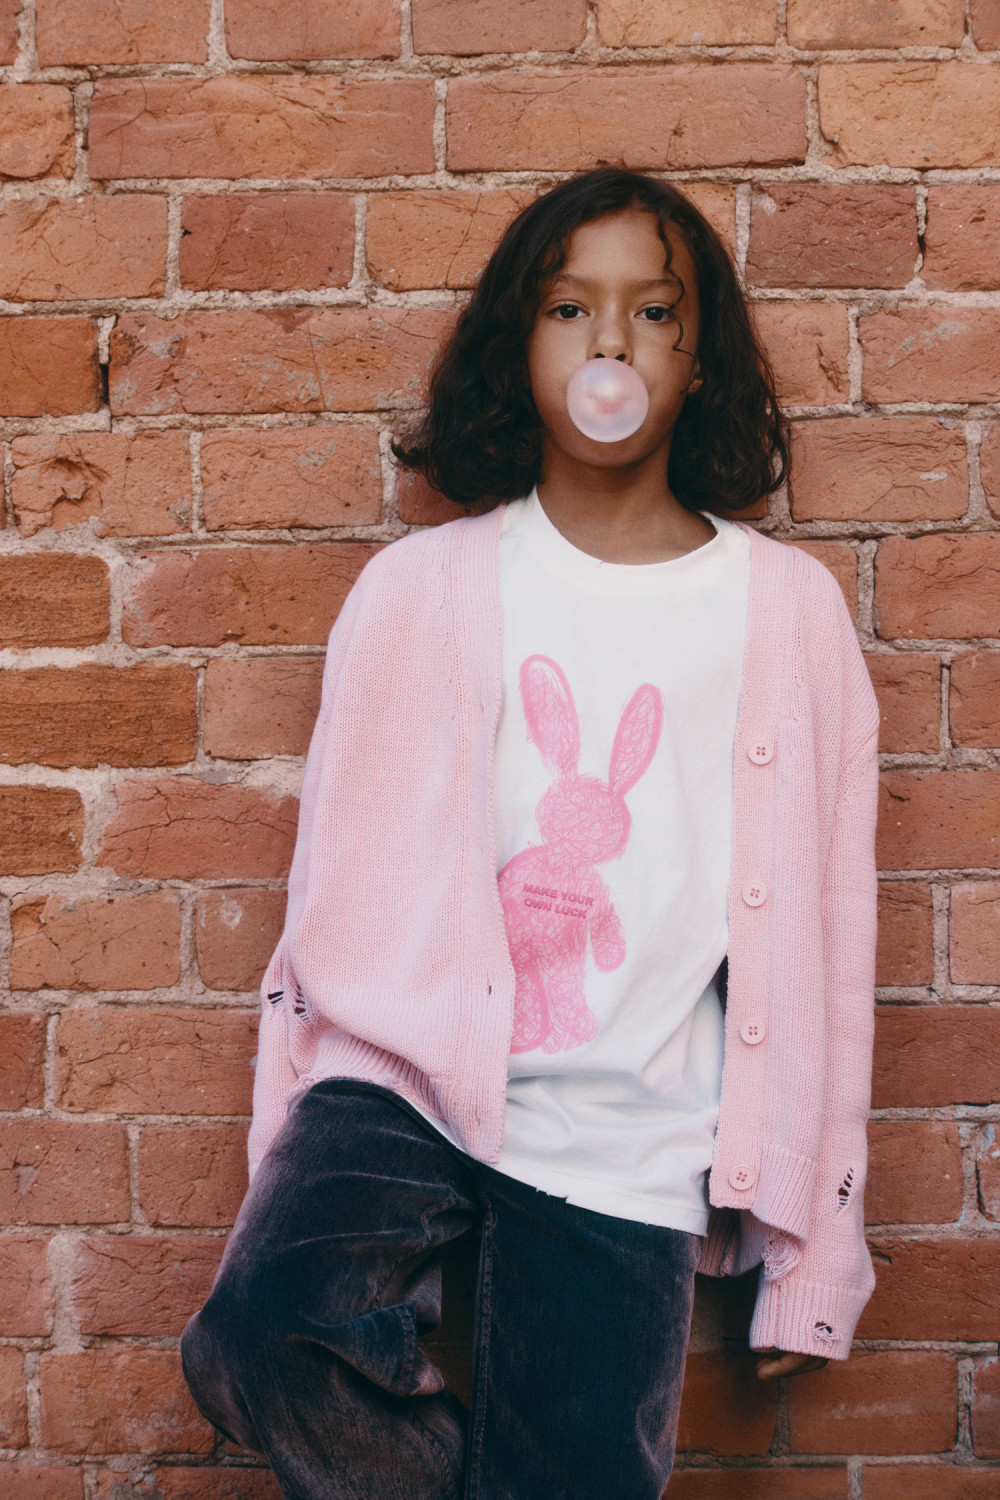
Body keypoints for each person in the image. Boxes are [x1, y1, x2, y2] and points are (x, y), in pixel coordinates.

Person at [181, 167, 879, 1499]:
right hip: (406, 1090)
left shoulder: (785, 613)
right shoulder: (420, 589)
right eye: (570, 308)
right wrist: (286, 1164)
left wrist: (814, 1254)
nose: (611, 343)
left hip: (633, 1135)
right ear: (522, 342)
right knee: (259, 1336)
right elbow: (326, 904)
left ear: (698, 359)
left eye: (653, 313)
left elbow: (831, 947)